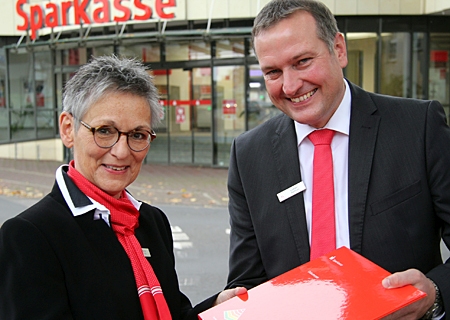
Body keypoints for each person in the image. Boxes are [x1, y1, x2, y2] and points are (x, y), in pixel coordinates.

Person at [225, 0, 450, 319]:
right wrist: (233, 304)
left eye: (302, 62)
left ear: (339, 49)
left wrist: (436, 293)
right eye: (273, 72)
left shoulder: (418, 127)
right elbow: (247, 280)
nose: (290, 86)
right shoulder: (249, 154)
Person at [0, 55, 244, 320]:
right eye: (105, 131)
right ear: (68, 129)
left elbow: (172, 312)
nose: (121, 151)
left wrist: (215, 307)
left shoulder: (151, 222)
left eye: (137, 135)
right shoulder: (30, 236)